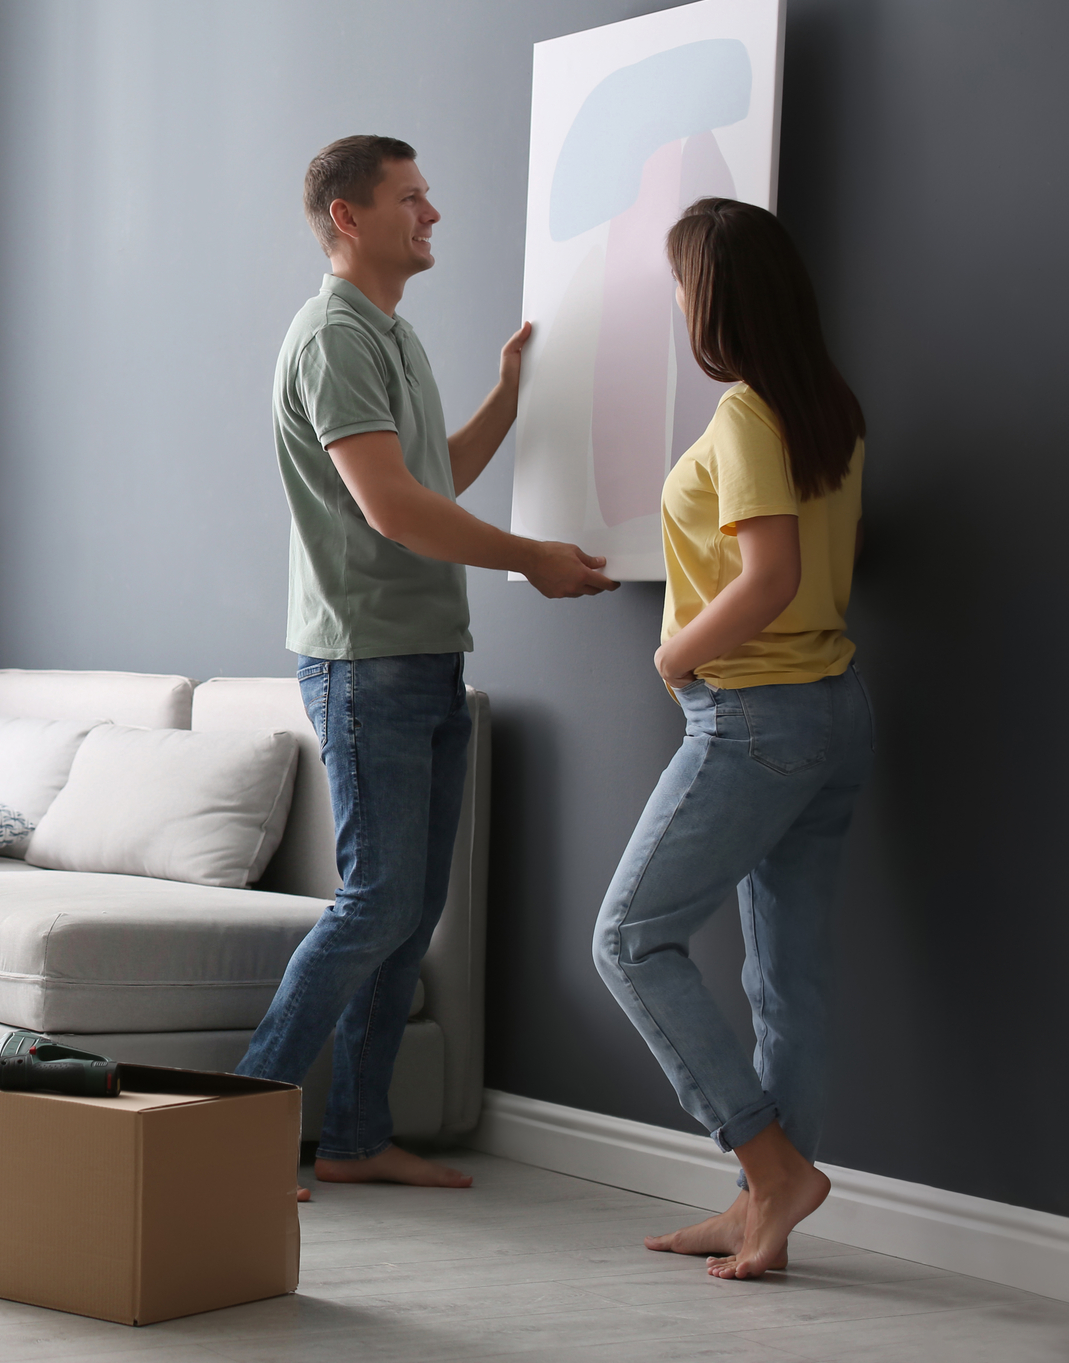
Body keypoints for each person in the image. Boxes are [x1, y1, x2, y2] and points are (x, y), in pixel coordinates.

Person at [238, 135, 616, 1192]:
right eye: (412, 197)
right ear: (349, 218)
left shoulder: (391, 337)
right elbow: (394, 510)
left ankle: (356, 1135)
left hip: (423, 658)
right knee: (378, 899)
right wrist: (531, 559)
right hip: (367, 662)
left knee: (408, 906)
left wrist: (508, 393)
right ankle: (233, 1127)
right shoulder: (332, 339)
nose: (434, 212)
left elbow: (433, 474)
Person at [592, 197, 871, 1279]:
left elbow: (771, 578)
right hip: (837, 710)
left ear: (709, 296)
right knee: (785, 979)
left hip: (758, 716)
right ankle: (765, 1204)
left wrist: (672, 656)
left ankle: (772, 1170)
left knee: (627, 939)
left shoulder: (751, 416)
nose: (672, 297)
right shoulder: (828, 405)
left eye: (677, 280)